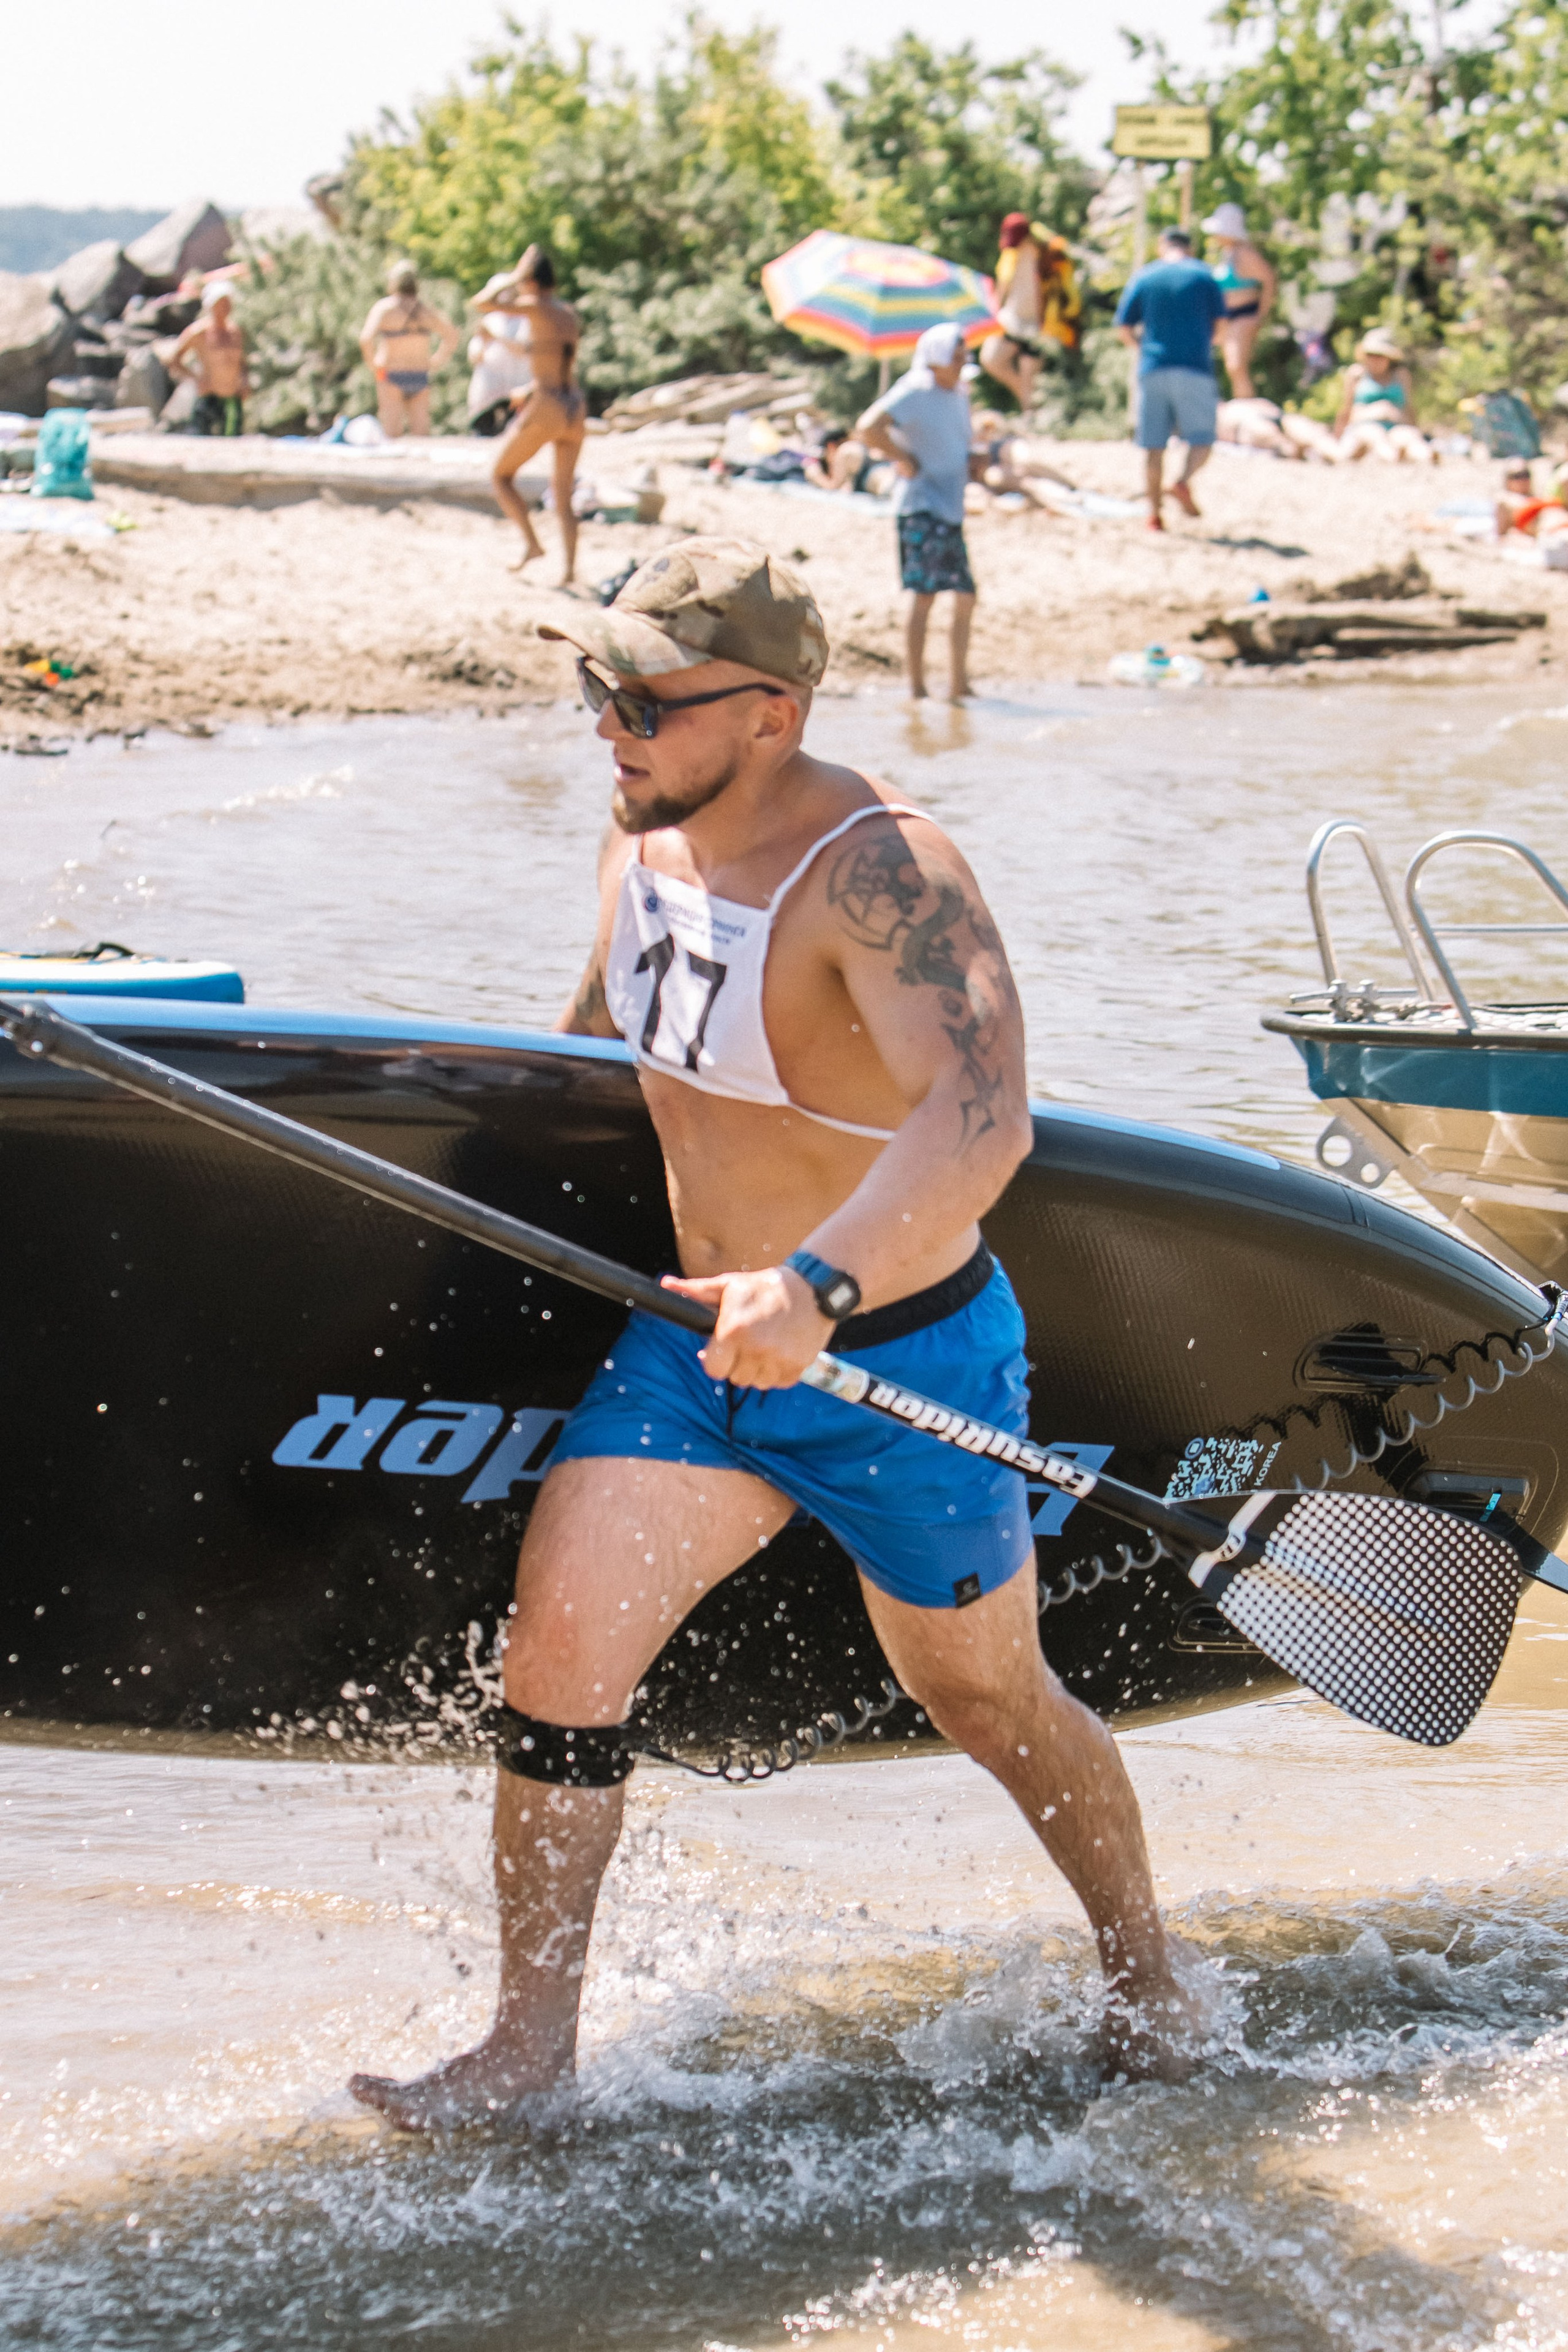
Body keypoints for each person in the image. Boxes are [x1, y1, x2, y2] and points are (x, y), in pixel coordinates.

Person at [345, 537, 1203, 2133]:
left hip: (895, 1358)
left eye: (648, 695)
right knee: (559, 1659)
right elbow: (593, 1049)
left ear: (774, 713)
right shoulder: (642, 829)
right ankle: (531, 2050)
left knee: (992, 1702)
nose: (610, 718)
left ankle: (1148, 1976)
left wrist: (817, 1291)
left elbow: (983, 1115)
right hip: (687, 1349)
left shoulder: (888, 871)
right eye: (593, 682)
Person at [856, 323, 978, 701]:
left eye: (963, 356)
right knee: (924, 595)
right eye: (955, 356)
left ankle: (958, 683)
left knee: (965, 594)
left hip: (951, 507)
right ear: (937, 358)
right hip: (921, 504)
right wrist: (901, 457)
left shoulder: (958, 394)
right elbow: (869, 427)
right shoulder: (915, 390)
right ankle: (918, 688)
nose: (961, 363)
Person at [478, 246, 587, 582]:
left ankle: (532, 544)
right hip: (575, 406)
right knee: (564, 495)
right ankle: (569, 571)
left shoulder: (535, 307)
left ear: (530, 279)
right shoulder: (567, 312)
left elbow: (482, 304)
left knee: (501, 476)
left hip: (548, 406)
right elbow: (561, 361)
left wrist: (511, 277)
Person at [1114, 228, 1227, 530]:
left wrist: (1143, 349)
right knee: (1202, 440)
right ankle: (1183, 481)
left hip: (1153, 367)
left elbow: (1123, 328)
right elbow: (1221, 328)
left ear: (1162, 246)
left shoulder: (1146, 276)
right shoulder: (1204, 276)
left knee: (1153, 447)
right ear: (1190, 248)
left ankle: (1154, 514)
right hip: (1195, 367)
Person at [979, 216, 1082, 413]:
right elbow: (1002, 288)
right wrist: (992, 314)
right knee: (990, 359)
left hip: (1039, 325)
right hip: (1011, 320)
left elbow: (1063, 282)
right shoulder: (1010, 255)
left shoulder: (1049, 255)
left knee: (1030, 374)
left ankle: (1030, 417)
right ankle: (1029, 402)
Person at [358, 262, 459, 441]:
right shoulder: (425, 309)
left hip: (390, 374)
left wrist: (373, 364)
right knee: (421, 436)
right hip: (420, 373)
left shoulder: (385, 308)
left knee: (392, 435)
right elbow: (452, 335)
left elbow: (366, 338)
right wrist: (436, 360)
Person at [1202, 203, 1276, 401]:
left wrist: (1261, 315)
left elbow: (1269, 279)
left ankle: (1247, 408)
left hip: (1245, 314)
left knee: (1237, 366)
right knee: (1232, 368)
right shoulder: (1228, 254)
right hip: (1229, 317)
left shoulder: (1245, 253)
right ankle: (1241, 405)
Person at [1332, 331, 1436, 463]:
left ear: (1389, 357)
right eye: (1371, 355)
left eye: (1380, 356)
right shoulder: (1357, 375)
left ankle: (1427, 457)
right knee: (1373, 434)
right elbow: (1347, 409)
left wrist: (1411, 425)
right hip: (1364, 425)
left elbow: (1409, 408)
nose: (1375, 360)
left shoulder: (1401, 376)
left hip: (1396, 425)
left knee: (1408, 437)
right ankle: (1391, 457)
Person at [168, 282, 249, 437]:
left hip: (233, 395)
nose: (226, 306)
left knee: (233, 443)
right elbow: (174, 360)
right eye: (221, 303)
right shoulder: (198, 332)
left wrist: (245, 381)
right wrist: (196, 379)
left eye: (228, 302)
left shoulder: (235, 331)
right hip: (209, 395)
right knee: (205, 442)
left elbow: (242, 361)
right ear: (211, 305)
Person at [466, 276, 533, 435]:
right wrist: (485, 341)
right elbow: (475, 358)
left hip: (517, 391)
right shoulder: (489, 320)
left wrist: (496, 338)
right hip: (489, 393)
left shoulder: (527, 320)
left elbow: (523, 350)